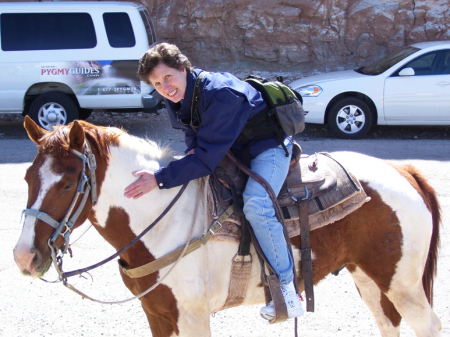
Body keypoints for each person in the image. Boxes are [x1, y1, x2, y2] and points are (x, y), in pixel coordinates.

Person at [124, 43, 303, 320]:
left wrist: (159, 179)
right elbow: (190, 133)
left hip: (267, 145)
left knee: (257, 204)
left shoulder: (221, 94)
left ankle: (288, 291)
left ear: (183, 69)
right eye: (157, 83)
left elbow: (205, 159)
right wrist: (192, 151)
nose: (165, 87)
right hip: (233, 147)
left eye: (168, 77)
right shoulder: (176, 97)